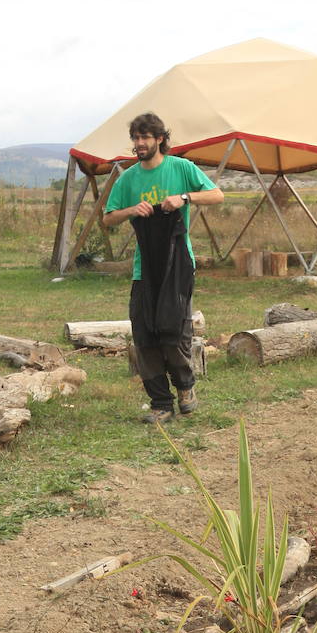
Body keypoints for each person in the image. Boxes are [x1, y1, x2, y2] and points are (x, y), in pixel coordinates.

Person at [103, 112, 223, 423]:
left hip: (178, 265)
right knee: (145, 334)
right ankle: (160, 403)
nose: (140, 143)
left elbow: (217, 195)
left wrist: (184, 198)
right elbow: (108, 218)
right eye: (136, 138)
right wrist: (132, 210)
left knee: (174, 328)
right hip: (145, 270)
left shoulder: (180, 167)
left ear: (159, 139)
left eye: (145, 137)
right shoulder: (128, 179)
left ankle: (185, 386)